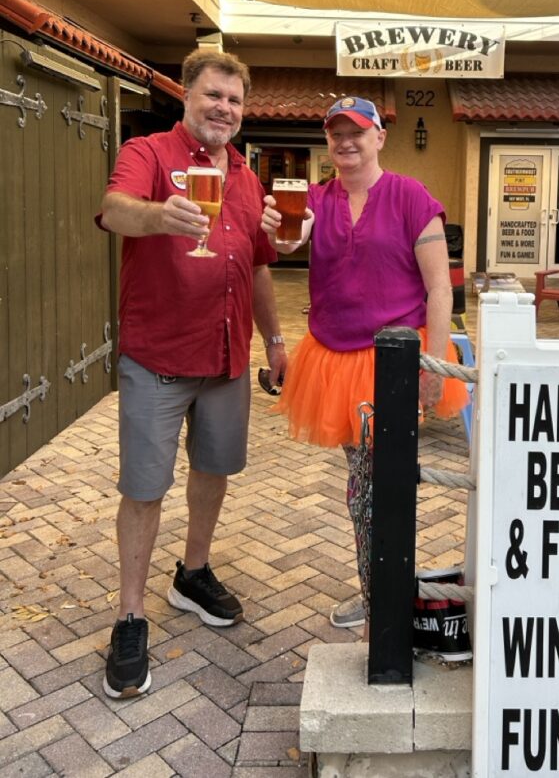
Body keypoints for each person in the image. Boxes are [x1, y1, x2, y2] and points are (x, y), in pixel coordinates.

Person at [97, 48, 286, 698]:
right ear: (186, 93)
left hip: (228, 356)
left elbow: (260, 263)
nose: (224, 108)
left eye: (234, 100)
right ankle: (129, 613)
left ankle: (192, 572)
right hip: (157, 355)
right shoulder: (150, 153)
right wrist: (157, 217)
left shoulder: (245, 174)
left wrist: (276, 338)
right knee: (145, 486)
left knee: (214, 469)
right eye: (213, 95)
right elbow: (116, 209)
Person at [261, 95, 467, 631]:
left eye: (357, 131)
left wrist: (433, 364)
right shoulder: (314, 198)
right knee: (367, 480)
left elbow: (439, 288)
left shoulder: (409, 196)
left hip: (398, 359)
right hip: (333, 360)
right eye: (335, 133)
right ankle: (381, 590)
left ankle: (385, 595)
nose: (346, 142)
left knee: (375, 481)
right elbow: (290, 238)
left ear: (379, 137)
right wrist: (282, 232)